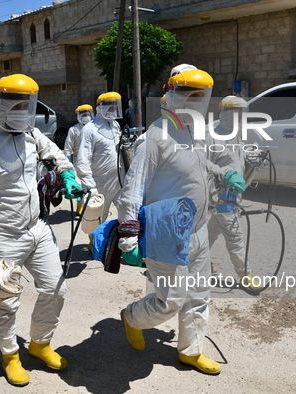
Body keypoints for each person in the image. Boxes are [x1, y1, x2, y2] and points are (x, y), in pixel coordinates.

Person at [0, 74, 83, 387]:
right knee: (6, 302)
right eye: (17, 104)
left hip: (37, 228)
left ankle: (39, 344)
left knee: (55, 288)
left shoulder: (30, 134)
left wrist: (67, 174)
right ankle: (10, 355)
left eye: (28, 104)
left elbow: (55, 152)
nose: (24, 111)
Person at [115, 68, 246, 375]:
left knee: (199, 295)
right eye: (189, 95)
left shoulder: (192, 132)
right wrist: (128, 235)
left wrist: (222, 173)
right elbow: (132, 191)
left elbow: (199, 163)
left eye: (201, 96)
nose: (195, 102)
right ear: (171, 94)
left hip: (198, 228)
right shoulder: (155, 138)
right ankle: (132, 316)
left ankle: (191, 350)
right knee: (171, 299)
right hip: (166, 233)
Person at [206, 96, 261, 289]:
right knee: (234, 236)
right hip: (219, 194)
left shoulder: (235, 133)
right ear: (225, 113)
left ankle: (198, 263)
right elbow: (201, 162)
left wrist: (250, 155)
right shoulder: (210, 133)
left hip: (232, 193)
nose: (239, 117)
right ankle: (244, 274)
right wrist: (224, 174)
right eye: (235, 113)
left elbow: (234, 156)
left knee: (209, 234)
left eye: (241, 113)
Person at [76, 92, 125, 225]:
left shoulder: (115, 126)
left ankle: (120, 243)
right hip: (100, 184)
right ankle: (95, 245)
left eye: (115, 107)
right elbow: (82, 160)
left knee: (127, 212)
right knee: (97, 221)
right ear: (101, 107)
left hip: (119, 180)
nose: (114, 110)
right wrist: (90, 186)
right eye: (111, 107)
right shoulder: (89, 129)